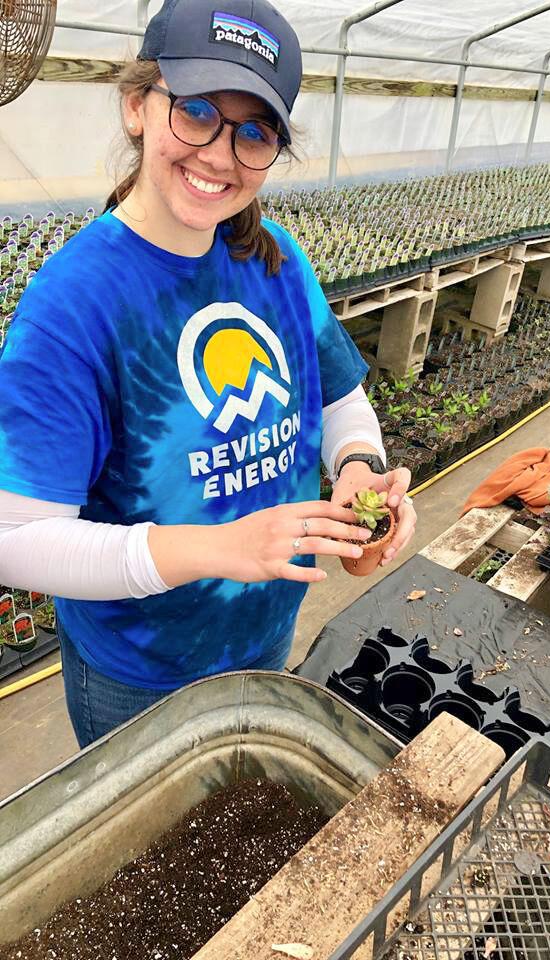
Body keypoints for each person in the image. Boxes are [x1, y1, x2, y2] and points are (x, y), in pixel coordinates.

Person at [0, 0, 416, 748]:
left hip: (264, 630)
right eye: (196, 112)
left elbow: (340, 399)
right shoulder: (74, 304)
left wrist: (358, 469)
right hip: (142, 674)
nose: (221, 155)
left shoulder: (276, 258)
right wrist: (219, 548)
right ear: (137, 107)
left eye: (255, 133)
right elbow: (19, 538)